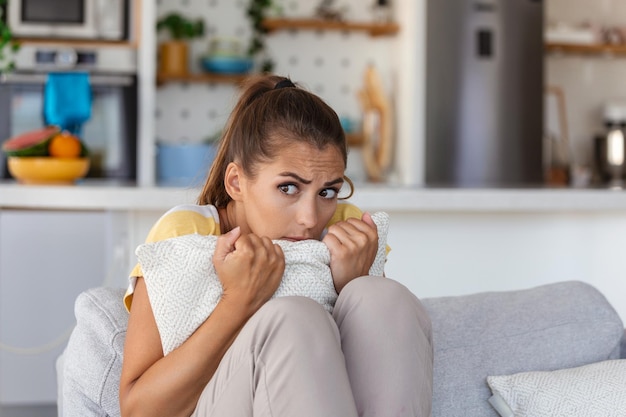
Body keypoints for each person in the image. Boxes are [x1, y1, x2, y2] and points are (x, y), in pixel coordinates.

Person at [119, 74, 433, 417]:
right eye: (288, 188)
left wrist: (351, 285)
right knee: (294, 317)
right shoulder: (187, 232)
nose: (310, 218)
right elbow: (138, 409)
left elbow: (377, 368)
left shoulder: (346, 225)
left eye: (327, 191)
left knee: (384, 296)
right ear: (237, 182)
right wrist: (238, 302)